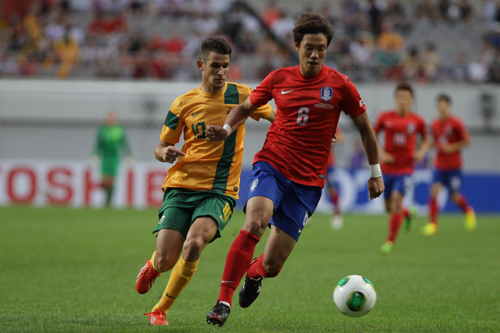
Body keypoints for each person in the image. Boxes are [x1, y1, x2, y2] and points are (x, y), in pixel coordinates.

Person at [204, 13, 384, 327]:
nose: (314, 54)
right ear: (297, 45)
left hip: (308, 183)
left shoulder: (340, 85)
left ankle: (254, 274)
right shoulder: (278, 78)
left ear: (327, 49)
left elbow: (366, 130)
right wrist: (225, 129)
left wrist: (376, 172)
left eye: (321, 48)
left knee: (273, 263)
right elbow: (245, 108)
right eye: (309, 47)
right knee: (255, 222)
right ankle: (222, 302)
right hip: (272, 163)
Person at [134, 37, 275, 326]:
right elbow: (160, 147)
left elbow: (277, 116)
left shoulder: (243, 95)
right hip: (181, 186)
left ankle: (160, 309)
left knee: (194, 243)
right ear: (201, 65)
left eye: (225, 66)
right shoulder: (183, 102)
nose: (221, 71)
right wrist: (166, 153)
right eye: (215, 66)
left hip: (220, 191)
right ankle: (153, 266)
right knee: (165, 260)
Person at [374, 82, 430, 255]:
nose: (402, 101)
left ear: (411, 100)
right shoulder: (385, 117)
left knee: (396, 201)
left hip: (406, 169)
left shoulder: (417, 120)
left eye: (406, 98)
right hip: (388, 169)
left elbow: (427, 140)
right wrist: (382, 153)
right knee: (388, 207)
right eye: (399, 97)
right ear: (395, 99)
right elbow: (371, 136)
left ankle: (389, 241)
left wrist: (421, 152)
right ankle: (408, 213)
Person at [422, 94, 476, 235]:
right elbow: (435, 142)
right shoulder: (434, 124)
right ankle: (433, 224)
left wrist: (452, 147)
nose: (442, 107)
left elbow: (468, 141)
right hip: (439, 165)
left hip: (454, 166)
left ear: (449, 106)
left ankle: (468, 212)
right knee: (434, 191)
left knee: (454, 196)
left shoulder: (456, 123)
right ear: (437, 106)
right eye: (439, 105)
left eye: (444, 104)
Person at [91, 110, 132, 207]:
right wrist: (95, 155)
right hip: (105, 157)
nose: (110, 120)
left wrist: (128, 156)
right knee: (105, 182)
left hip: (115, 157)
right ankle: (107, 199)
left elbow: (124, 144)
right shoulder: (102, 130)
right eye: (109, 118)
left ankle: (108, 202)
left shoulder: (119, 129)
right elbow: (98, 145)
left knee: (111, 181)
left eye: (112, 118)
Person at [326, 127, 344, 230]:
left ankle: (337, 213)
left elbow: (341, 137)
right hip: (313, 161)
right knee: (308, 187)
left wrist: (327, 140)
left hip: (328, 163)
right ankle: (306, 214)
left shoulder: (331, 122)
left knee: (331, 188)